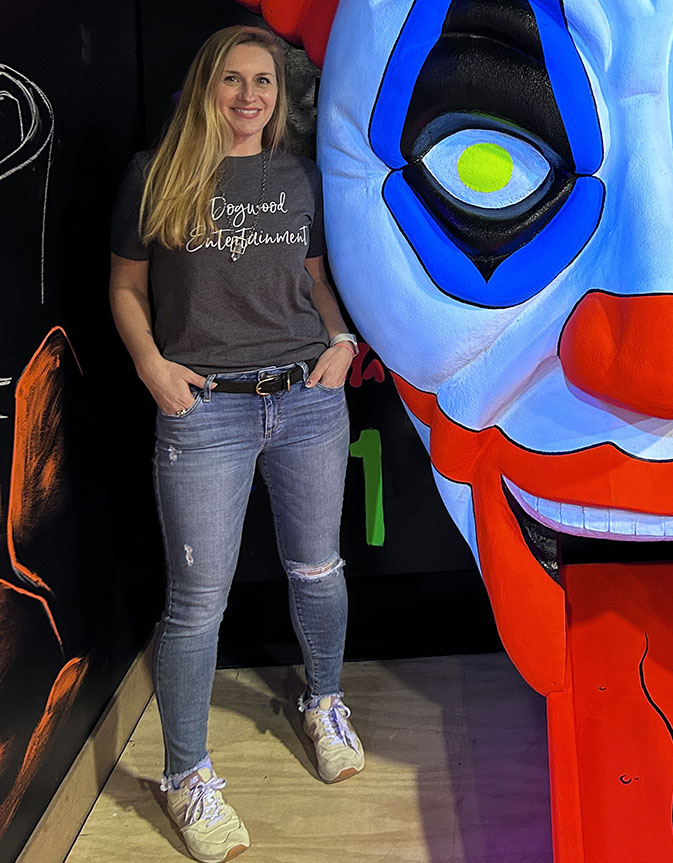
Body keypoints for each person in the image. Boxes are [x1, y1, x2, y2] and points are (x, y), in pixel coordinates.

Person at [109, 26, 363, 862]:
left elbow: (320, 275)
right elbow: (126, 284)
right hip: (204, 411)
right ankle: (187, 777)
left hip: (306, 401)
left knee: (317, 570)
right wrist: (151, 366)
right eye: (232, 80)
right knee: (195, 607)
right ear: (205, 86)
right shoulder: (156, 175)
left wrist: (340, 340)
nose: (250, 96)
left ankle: (322, 703)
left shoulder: (298, 176)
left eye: (263, 81)